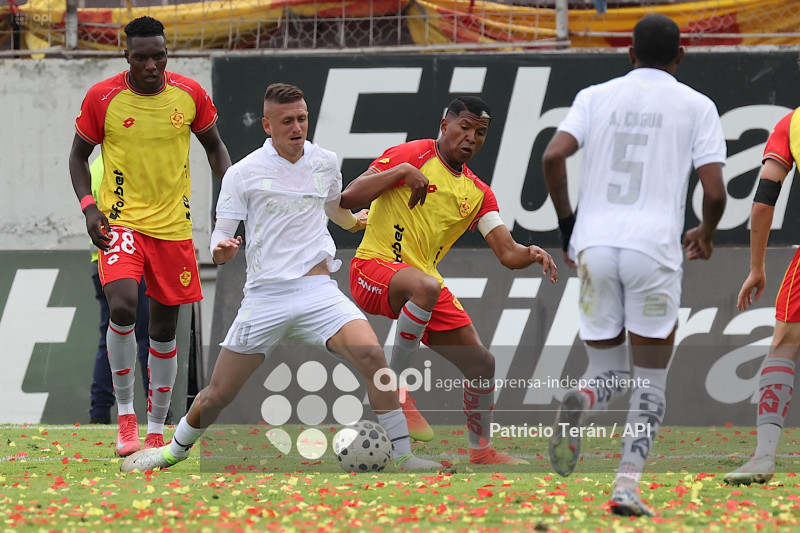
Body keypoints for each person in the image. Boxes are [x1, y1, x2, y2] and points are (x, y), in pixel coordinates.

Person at [121, 83, 442, 473]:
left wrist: (350, 222)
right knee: (219, 394)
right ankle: (171, 452)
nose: (297, 127)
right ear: (267, 125)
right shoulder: (242, 173)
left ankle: (405, 457)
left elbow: (332, 205)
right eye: (287, 120)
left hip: (317, 291)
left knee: (374, 356)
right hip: (265, 297)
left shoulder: (325, 161)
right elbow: (221, 236)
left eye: (302, 118)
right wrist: (222, 250)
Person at [541, 13, 726, 516]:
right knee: (649, 380)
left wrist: (568, 229)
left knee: (608, 370)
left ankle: (580, 397)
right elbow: (714, 191)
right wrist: (705, 234)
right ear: (680, 56)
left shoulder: (594, 96)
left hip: (594, 247)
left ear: (629, 53)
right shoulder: (697, 105)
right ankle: (626, 486)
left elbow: (553, 157)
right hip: (654, 250)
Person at [341, 95, 558, 465]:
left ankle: (482, 451)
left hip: (423, 285)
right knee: (427, 286)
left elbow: (507, 253)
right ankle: (394, 388)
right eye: (464, 127)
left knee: (482, 365)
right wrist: (401, 173)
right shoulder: (411, 153)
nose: (471, 137)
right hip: (372, 268)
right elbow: (348, 197)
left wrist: (531, 252)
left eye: (480, 132)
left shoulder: (477, 193)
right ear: (445, 126)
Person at [69, 16, 231, 456]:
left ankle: (156, 427)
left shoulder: (189, 94)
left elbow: (215, 147)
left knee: (164, 331)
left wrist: (230, 202)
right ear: (127, 56)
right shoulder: (103, 97)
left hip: (173, 230)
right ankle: (126, 419)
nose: (151, 65)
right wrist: (90, 209)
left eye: (158, 55)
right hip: (121, 225)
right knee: (122, 308)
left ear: (166, 54)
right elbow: (78, 158)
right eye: (141, 57)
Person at [724, 59, 800, 486]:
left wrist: (757, 266)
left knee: (785, 346)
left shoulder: (792, 125)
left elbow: (762, 203)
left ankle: (764, 458)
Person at [87, 156, 151, 425]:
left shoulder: (95, 165)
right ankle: (158, 411)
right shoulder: (133, 160)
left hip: (102, 261)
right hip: (134, 259)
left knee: (110, 338)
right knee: (149, 338)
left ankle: (100, 413)